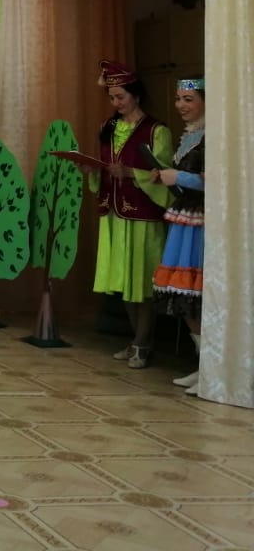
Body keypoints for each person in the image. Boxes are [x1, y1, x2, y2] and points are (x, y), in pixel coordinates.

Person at [86, 59, 173, 369]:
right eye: (112, 97)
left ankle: (142, 343)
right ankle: (138, 341)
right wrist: (93, 171)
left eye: (121, 96)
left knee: (143, 282)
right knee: (123, 280)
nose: (116, 103)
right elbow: (104, 165)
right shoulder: (107, 128)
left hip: (142, 216)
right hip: (114, 213)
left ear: (136, 94)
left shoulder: (157, 131)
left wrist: (130, 173)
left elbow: (163, 175)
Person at [152, 77, 206, 393]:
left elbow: (217, 179)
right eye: (178, 99)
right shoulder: (189, 136)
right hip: (184, 217)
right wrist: (166, 178)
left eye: (188, 99)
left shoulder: (213, 137)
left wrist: (179, 176)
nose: (181, 105)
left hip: (202, 221)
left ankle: (212, 369)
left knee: (198, 292)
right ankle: (203, 365)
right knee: (183, 292)